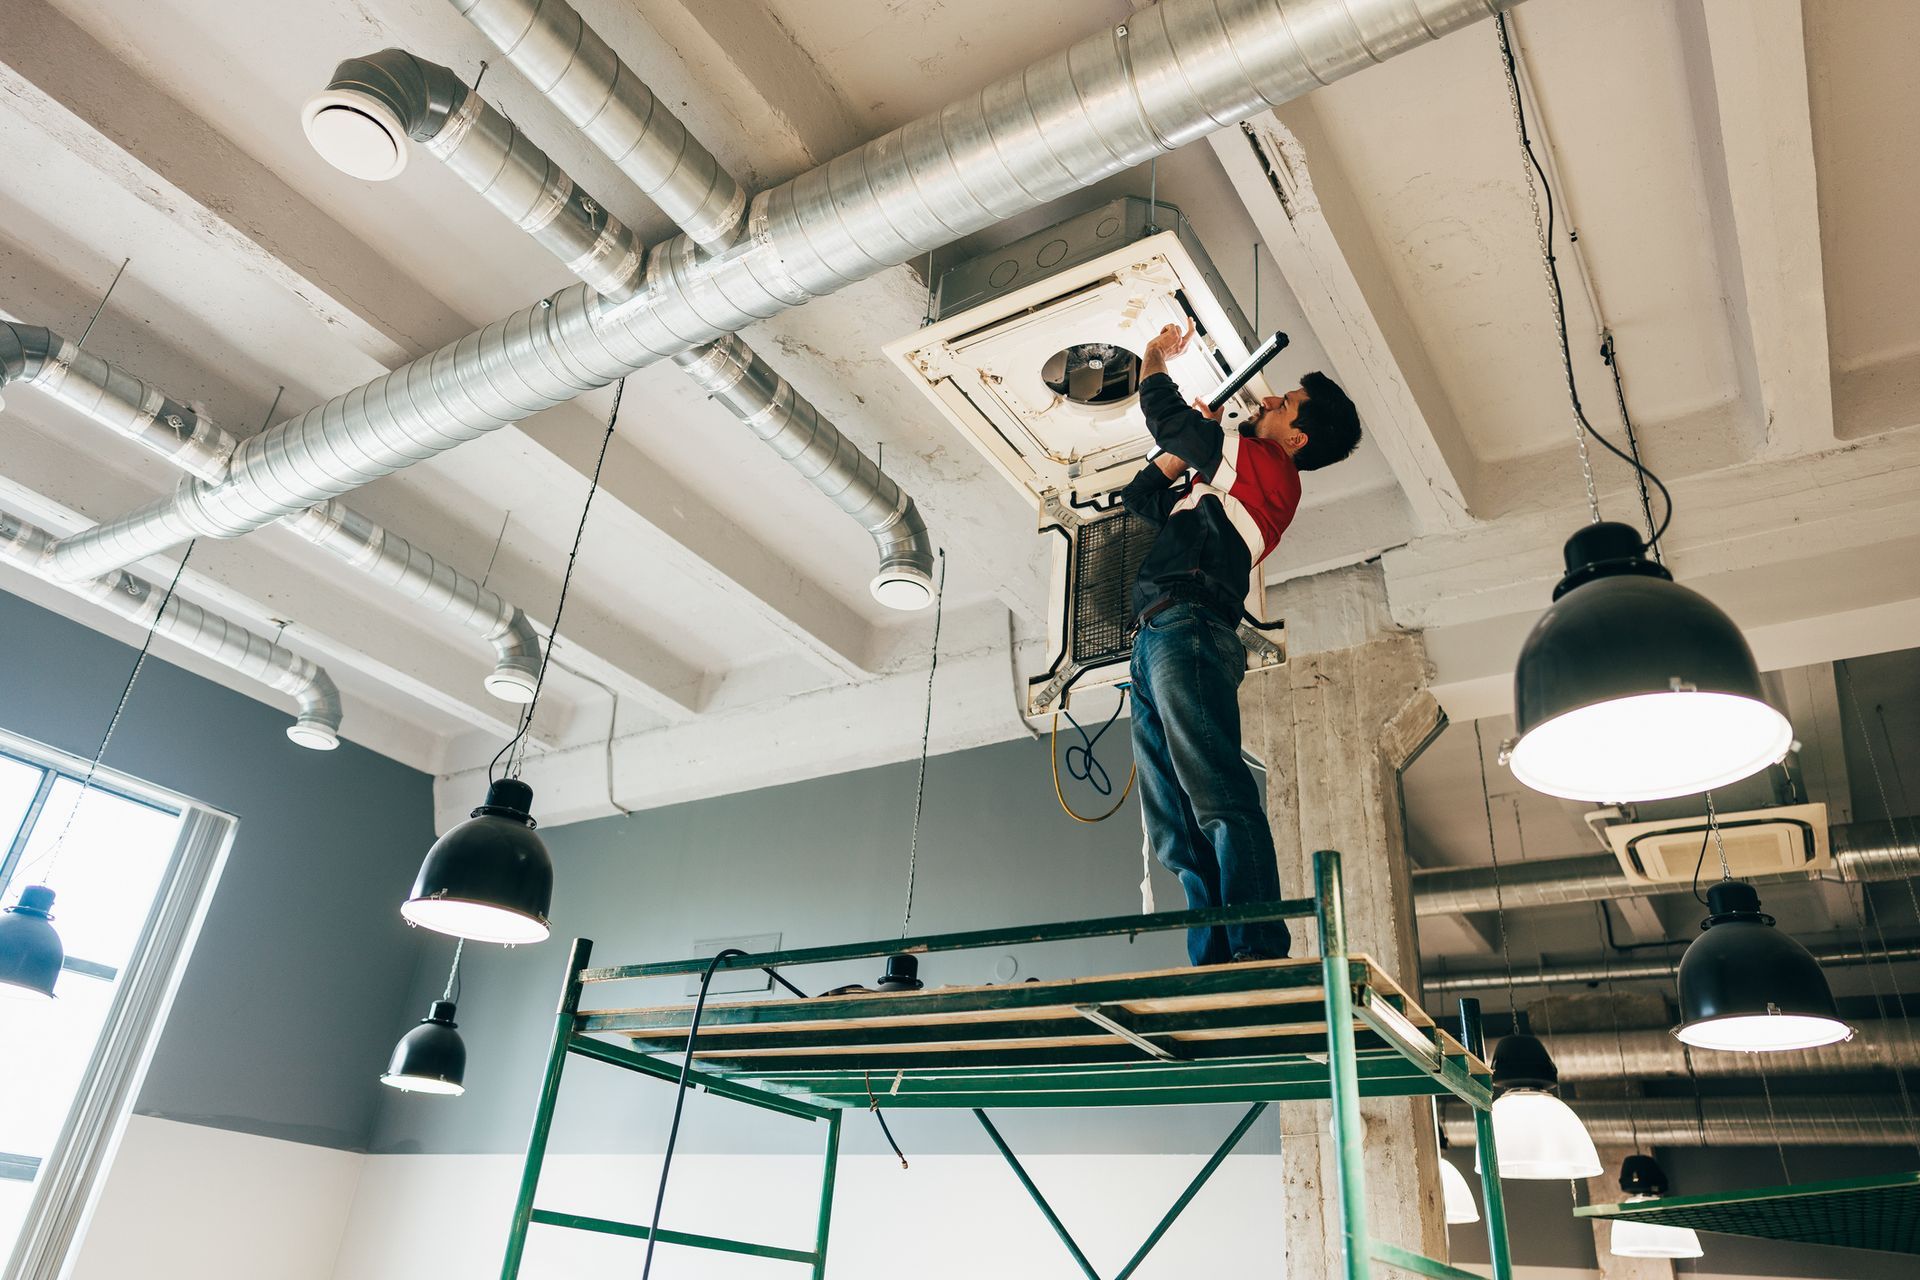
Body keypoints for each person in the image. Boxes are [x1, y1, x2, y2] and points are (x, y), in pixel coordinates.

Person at [1122, 319, 1363, 966]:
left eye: (1284, 404)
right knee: (1176, 824)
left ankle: (1256, 950)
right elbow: (1141, 498)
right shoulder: (1230, 478)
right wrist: (1191, 452)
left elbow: (1167, 417)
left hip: (1189, 630)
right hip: (1158, 639)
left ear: (1297, 437)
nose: (1269, 401)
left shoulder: (1273, 470)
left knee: (1219, 798)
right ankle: (1217, 957)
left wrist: (1155, 359)